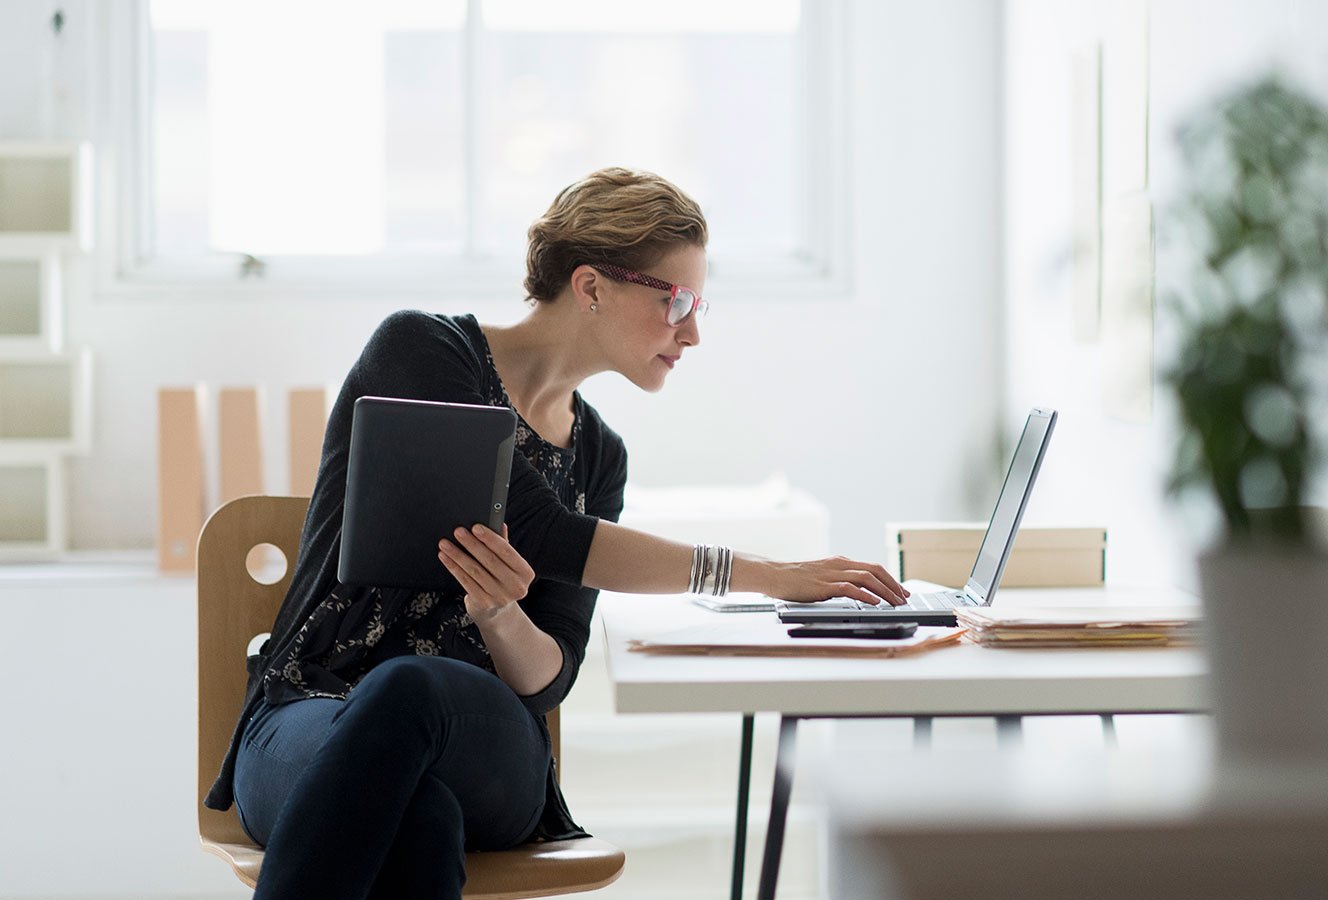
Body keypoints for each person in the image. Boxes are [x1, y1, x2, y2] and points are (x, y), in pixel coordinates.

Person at [203, 167, 909, 900]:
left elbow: (552, 672)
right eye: (679, 301)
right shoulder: (422, 351)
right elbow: (542, 529)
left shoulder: (601, 458)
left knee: (409, 688)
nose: (693, 332)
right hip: (310, 714)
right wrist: (769, 573)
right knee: (418, 818)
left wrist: (502, 616)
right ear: (592, 286)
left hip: (485, 747)